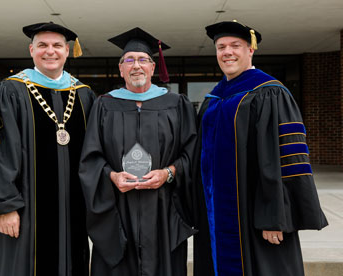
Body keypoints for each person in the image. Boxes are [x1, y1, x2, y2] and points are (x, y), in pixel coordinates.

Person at [193, 20, 328, 276]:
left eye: (235, 45)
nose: (227, 52)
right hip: (215, 213)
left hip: (256, 214)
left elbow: (286, 158)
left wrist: (274, 217)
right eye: (221, 47)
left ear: (250, 50)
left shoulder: (270, 93)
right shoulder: (214, 99)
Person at [0, 22, 95, 276]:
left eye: (57, 46)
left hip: (73, 210)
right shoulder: (10, 90)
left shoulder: (84, 95)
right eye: (42, 45)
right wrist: (4, 206)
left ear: (67, 51)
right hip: (24, 210)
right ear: (31, 50)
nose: (50, 51)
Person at [79, 27, 197, 276]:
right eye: (129, 60)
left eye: (143, 59)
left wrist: (169, 173)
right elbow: (90, 157)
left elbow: (192, 154)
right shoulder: (103, 105)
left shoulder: (177, 104)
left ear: (153, 68)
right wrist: (112, 176)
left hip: (164, 211)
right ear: (121, 69)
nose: (136, 66)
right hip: (118, 210)